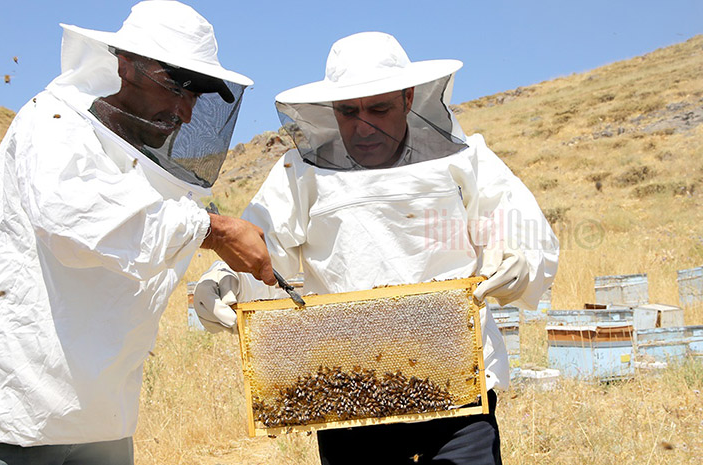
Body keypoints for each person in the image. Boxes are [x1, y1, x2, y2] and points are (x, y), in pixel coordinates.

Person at [193, 32, 559, 464]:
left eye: (379, 109)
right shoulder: (300, 171)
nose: (363, 126)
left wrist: (518, 259)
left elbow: (521, 228)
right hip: (349, 387)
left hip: (458, 381)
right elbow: (261, 248)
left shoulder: (463, 158)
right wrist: (225, 281)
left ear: (408, 98)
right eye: (348, 112)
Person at [0, 2, 275, 464]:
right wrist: (213, 231)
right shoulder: (53, 123)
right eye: (175, 86)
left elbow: (150, 244)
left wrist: (227, 282)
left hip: (103, 419)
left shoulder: (151, 165)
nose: (185, 111)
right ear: (125, 65)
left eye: (196, 95)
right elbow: (76, 223)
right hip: (16, 417)